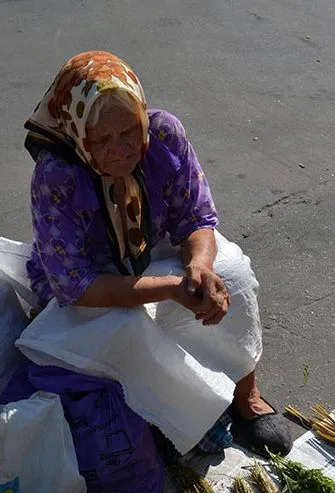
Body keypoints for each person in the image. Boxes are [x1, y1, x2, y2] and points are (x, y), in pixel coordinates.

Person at [21, 50, 292, 460]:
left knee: (230, 273)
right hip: (92, 283)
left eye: (130, 131)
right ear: (78, 134)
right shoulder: (56, 174)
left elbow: (197, 217)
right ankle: (179, 414)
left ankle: (243, 391)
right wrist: (169, 288)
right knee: (124, 325)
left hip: (153, 246)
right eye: (102, 139)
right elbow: (75, 283)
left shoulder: (163, 134)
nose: (121, 150)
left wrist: (198, 267)